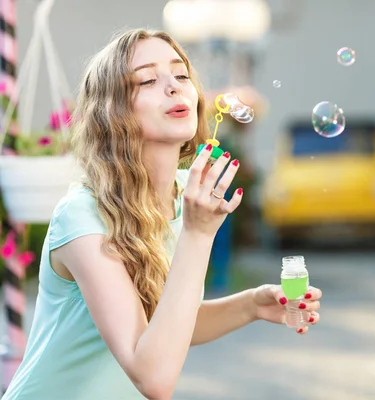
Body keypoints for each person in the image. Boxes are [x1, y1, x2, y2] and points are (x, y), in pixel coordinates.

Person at [2, 28, 322, 400]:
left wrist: (250, 304)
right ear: (113, 112)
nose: (174, 86)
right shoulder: (83, 217)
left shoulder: (186, 193)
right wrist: (198, 234)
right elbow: (152, 376)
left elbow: (165, 325)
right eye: (148, 79)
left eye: (181, 74)